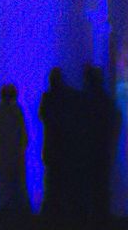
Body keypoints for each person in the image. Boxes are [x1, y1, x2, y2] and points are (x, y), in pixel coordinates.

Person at [79, 65, 120, 223]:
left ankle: (95, 216)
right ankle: (102, 215)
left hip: (92, 148)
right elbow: (114, 121)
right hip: (101, 147)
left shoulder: (88, 101)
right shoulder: (105, 100)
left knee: (93, 183)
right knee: (101, 184)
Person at [40, 68, 76, 220]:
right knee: (63, 179)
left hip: (52, 146)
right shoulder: (68, 96)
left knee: (52, 179)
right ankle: (64, 210)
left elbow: (42, 116)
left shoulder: (48, 97)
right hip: (65, 147)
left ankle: (51, 210)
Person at [0, 85, 30, 216]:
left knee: (5, 185)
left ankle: (6, 210)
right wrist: (21, 150)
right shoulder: (17, 112)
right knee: (18, 185)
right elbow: (24, 136)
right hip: (16, 157)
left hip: (4, 157)